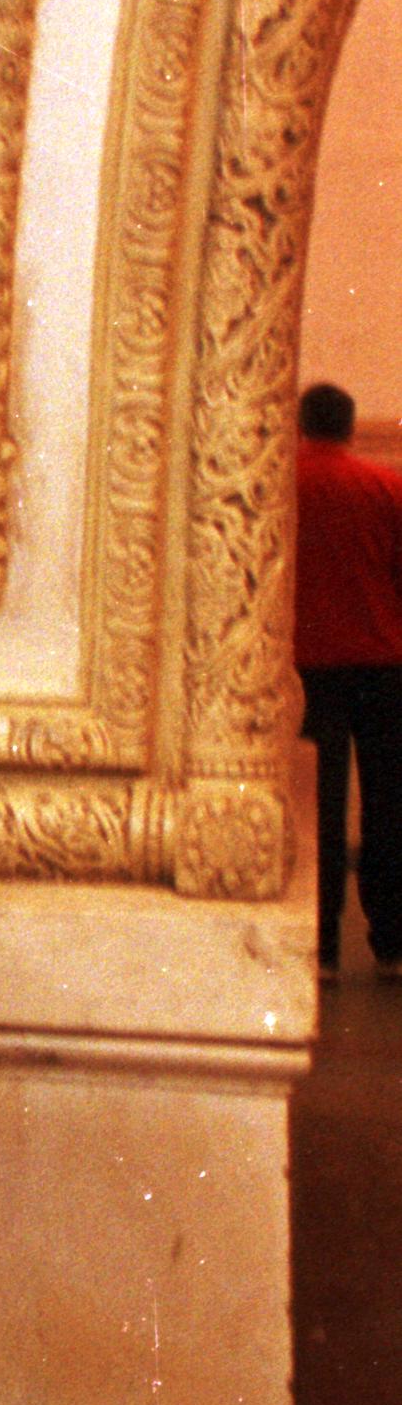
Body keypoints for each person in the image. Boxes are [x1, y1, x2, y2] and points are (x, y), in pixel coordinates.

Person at [294, 380, 402, 982]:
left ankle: (325, 947)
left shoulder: (285, 486)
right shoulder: (387, 486)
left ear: (301, 425)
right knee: (388, 803)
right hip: (384, 666)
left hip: (310, 668)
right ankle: (391, 942)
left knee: (321, 808)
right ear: (351, 426)